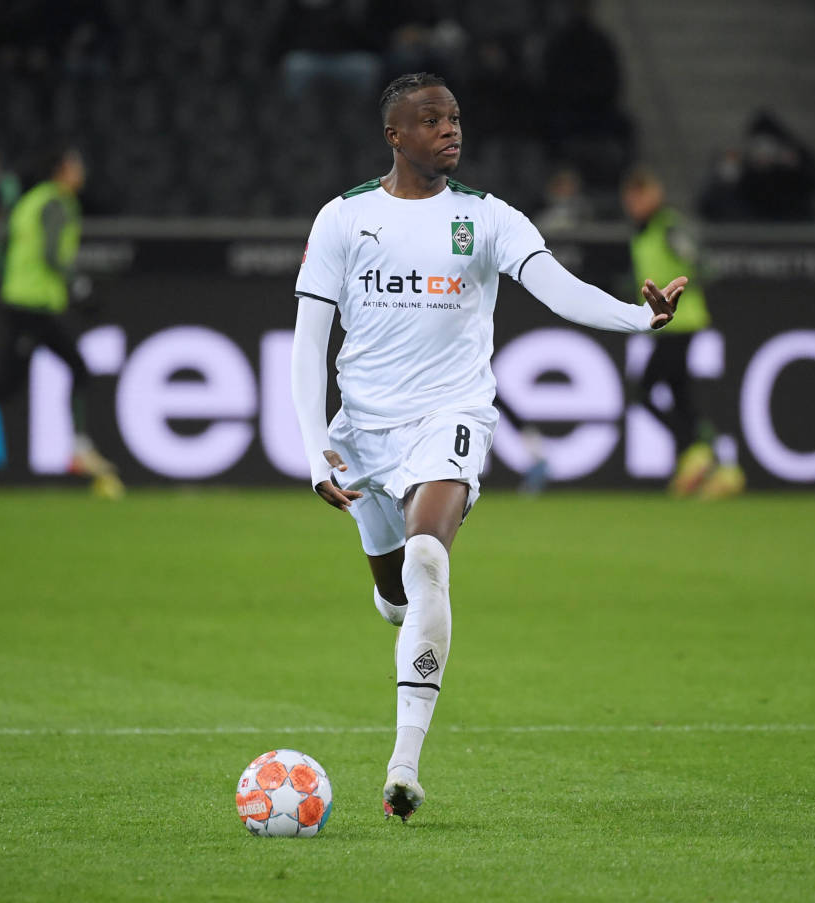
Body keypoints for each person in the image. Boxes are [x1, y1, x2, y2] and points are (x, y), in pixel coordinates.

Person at [290, 72, 685, 822]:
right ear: (394, 136)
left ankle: (404, 764)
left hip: (451, 414)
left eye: (455, 118)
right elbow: (309, 344)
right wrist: (317, 449)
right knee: (396, 597)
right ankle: (396, 599)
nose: (449, 130)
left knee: (428, 557)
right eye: (431, 120)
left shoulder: (488, 218)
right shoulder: (344, 219)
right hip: (364, 433)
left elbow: (555, 286)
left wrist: (638, 319)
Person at [0, 145, 121, 497]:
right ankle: (78, 448)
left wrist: (9, 281)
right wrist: (79, 283)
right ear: (61, 170)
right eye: (75, 165)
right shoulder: (56, 203)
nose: (81, 171)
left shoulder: (28, 201)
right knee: (76, 368)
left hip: (21, 302)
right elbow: (51, 254)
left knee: (7, 386)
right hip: (33, 306)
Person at [622, 166, 743, 498]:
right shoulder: (642, 232)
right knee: (681, 396)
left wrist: (683, 286)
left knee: (647, 391)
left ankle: (695, 453)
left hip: (682, 322)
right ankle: (718, 464)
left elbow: (703, 265)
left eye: (639, 196)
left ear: (654, 195)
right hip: (662, 325)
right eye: (630, 198)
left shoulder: (669, 228)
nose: (633, 204)